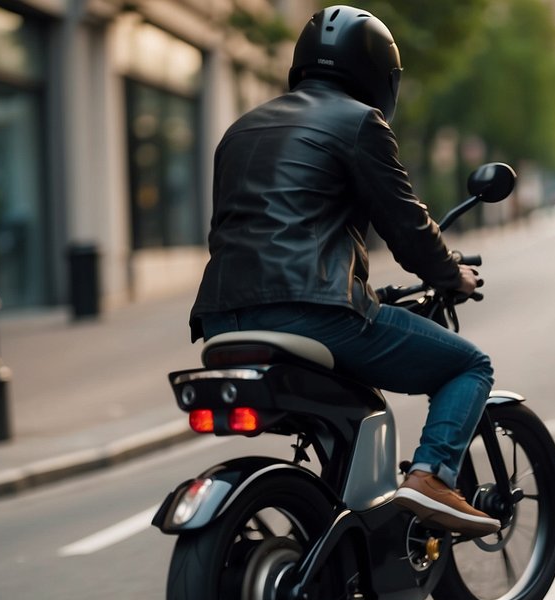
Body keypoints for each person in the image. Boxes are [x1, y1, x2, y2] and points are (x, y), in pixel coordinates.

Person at [189, 5, 499, 538]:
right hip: (313, 312)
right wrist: (452, 275)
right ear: (380, 74)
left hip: (222, 322)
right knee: (469, 366)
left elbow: (254, 230)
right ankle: (431, 478)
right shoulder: (359, 121)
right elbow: (406, 230)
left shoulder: (239, 129)